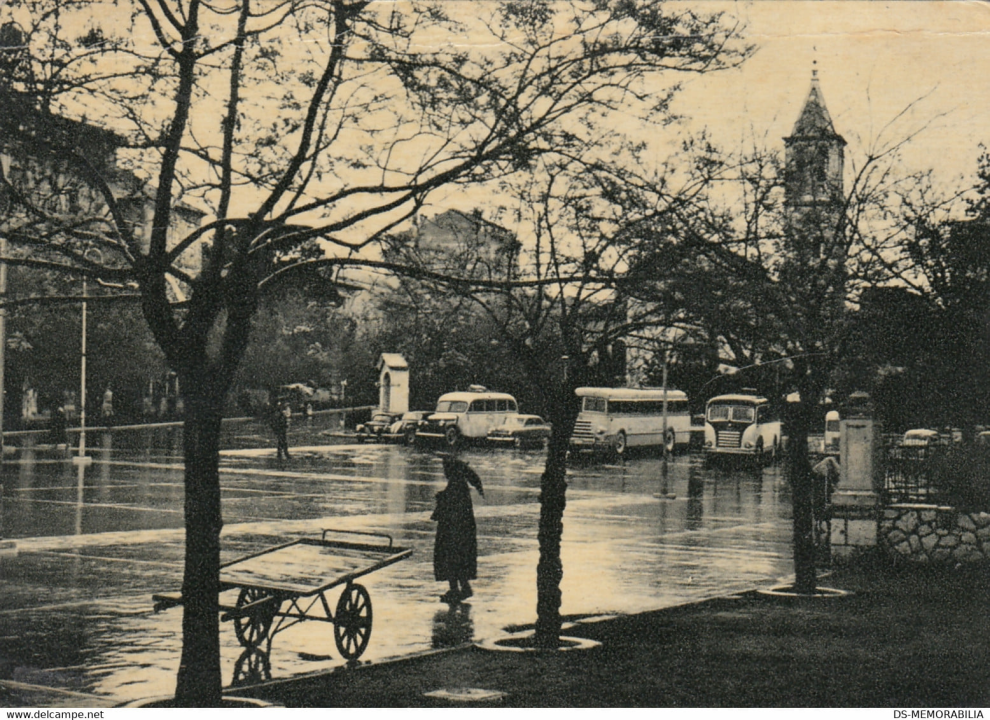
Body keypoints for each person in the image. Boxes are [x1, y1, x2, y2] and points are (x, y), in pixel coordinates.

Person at [431, 455, 483, 603]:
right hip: (460, 532)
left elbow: (452, 507)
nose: (444, 472)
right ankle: (461, 588)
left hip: (454, 532)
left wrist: (441, 498)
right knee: (457, 560)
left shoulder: (456, 485)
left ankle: (457, 589)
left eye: (445, 469)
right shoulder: (459, 484)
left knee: (451, 558)